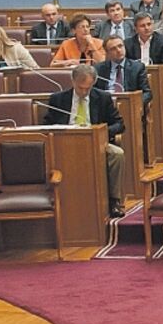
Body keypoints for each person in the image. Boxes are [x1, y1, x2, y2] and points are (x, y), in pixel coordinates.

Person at [42, 64, 125, 217]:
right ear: (73, 81)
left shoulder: (103, 98)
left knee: (117, 154)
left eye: (88, 88)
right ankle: (56, 199)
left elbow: (119, 124)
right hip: (64, 144)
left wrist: (101, 132)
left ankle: (114, 201)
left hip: (95, 143)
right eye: (81, 88)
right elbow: (46, 125)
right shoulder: (58, 99)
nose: (84, 92)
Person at [96, 36, 151, 106]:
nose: (118, 50)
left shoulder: (137, 68)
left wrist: (134, 104)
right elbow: (94, 93)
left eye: (120, 46)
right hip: (106, 106)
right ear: (107, 53)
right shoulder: (99, 69)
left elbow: (147, 93)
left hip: (130, 105)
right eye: (113, 49)